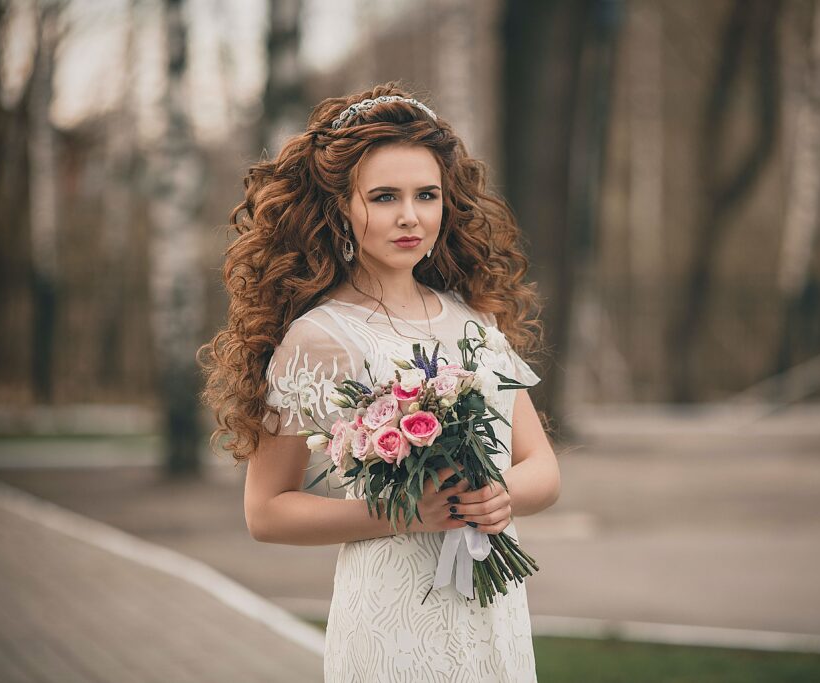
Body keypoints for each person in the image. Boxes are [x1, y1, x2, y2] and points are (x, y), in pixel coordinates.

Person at [199, 81, 561, 682]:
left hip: (492, 617)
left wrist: (502, 495)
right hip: (392, 619)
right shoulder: (317, 338)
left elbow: (542, 469)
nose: (410, 217)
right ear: (342, 205)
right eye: (385, 196)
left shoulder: (474, 320)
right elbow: (267, 513)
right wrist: (405, 513)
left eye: (427, 195)